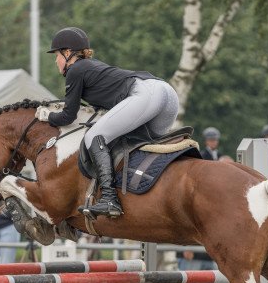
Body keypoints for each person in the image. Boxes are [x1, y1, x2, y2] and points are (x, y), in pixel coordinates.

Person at [35, 27, 179, 219]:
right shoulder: (91, 67)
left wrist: (47, 117)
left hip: (146, 94)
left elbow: (68, 117)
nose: (56, 60)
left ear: (68, 53)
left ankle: (110, 198)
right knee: (137, 144)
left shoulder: (75, 70)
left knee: (94, 137)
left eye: (57, 55)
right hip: (167, 94)